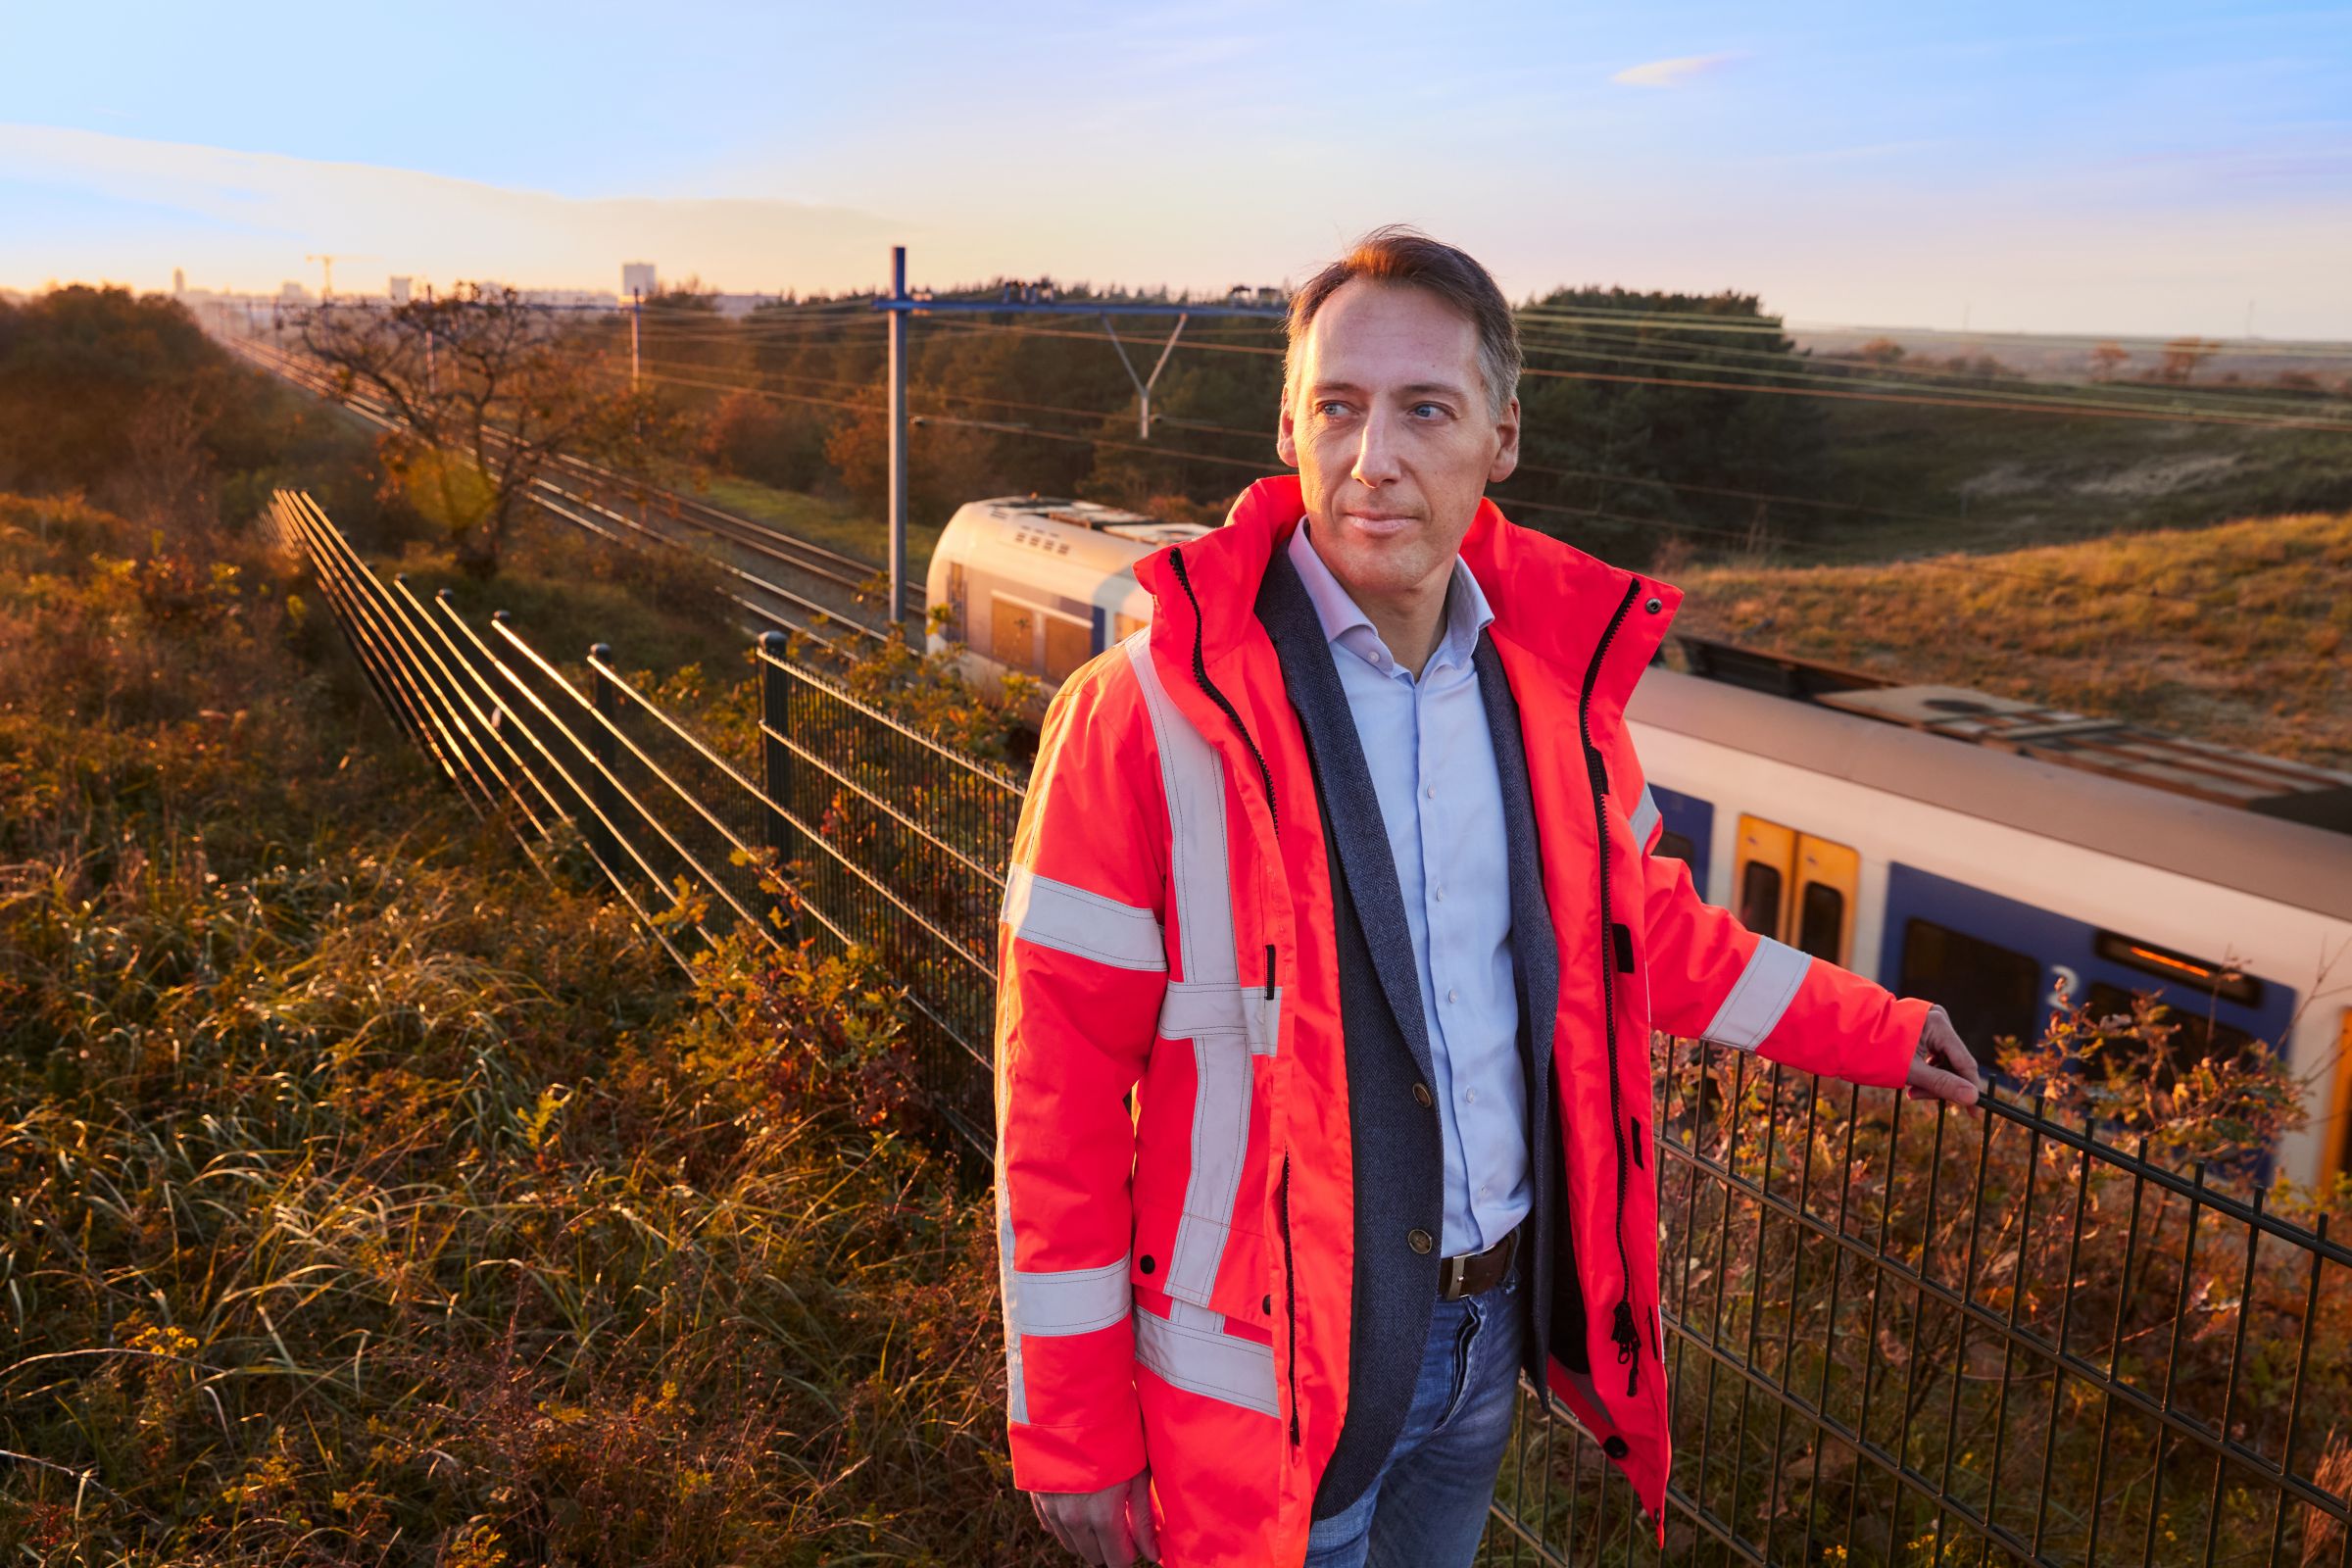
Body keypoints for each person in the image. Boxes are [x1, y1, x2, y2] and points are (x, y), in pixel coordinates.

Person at [990, 225, 1985, 1568]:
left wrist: (1872, 1028)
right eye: (1336, 407)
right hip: (1268, 1383)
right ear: (1288, 424)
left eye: (1423, 410)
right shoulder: (1151, 716)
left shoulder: (1552, 704)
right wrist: (1073, 1431)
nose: (1372, 458)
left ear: (1501, 436)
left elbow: (1650, 939)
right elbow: (1052, 1092)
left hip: (1482, 1347)